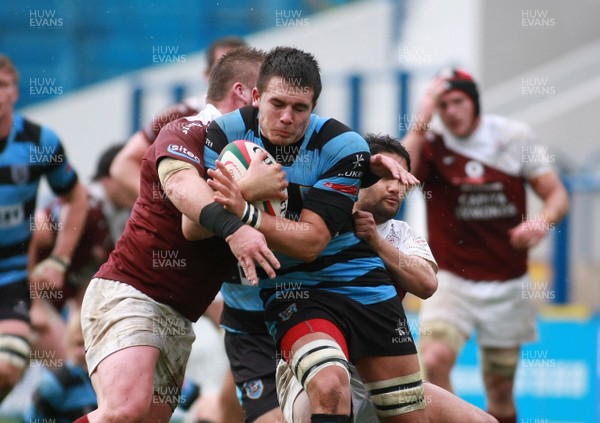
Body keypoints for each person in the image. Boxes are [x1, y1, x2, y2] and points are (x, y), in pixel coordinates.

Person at [190, 46, 427, 423]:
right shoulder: (223, 132)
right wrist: (247, 195)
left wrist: (243, 209)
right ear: (254, 96)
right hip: (291, 292)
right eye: (277, 104)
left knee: (408, 416)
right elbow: (193, 226)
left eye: (300, 108)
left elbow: (313, 241)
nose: (286, 118)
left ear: (314, 106)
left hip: (362, 287)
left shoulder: (342, 145)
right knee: (329, 386)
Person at [76, 46, 285, 423]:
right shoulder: (188, 128)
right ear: (243, 93)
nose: (275, 110)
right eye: (265, 95)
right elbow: (183, 192)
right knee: (124, 410)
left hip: (180, 314)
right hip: (132, 290)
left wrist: (371, 168)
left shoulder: (265, 153)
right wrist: (238, 221)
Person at [275, 132, 498, 423]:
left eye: (401, 179)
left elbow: (427, 284)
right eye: (385, 177)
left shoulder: (401, 234)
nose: (395, 188)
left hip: (387, 368)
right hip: (315, 368)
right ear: (361, 176)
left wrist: (376, 243)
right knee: (328, 395)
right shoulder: (318, 220)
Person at [402, 68, 569, 423]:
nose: (450, 111)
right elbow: (397, 177)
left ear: (474, 101)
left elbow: (556, 195)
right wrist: (420, 121)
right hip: (450, 280)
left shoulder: (513, 137)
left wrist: (541, 221)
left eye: (457, 101)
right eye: (441, 104)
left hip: (507, 282)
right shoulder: (432, 145)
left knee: (499, 390)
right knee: (431, 362)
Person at [0, 54, 88, 403]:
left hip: (11, 277)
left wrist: (60, 260)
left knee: (8, 364)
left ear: (15, 93)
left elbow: (76, 198)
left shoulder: (38, 142)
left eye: (2, 85)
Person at [28, 143, 134, 362]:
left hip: (49, 307)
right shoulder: (87, 206)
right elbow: (31, 234)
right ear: (109, 178)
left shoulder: (117, 220)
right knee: (70, 368)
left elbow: (86, 284)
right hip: (23, 300)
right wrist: (33, 302)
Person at [111, 35, 247, 199]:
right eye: (223, 71)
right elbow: (122, 165)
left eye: (239, 72)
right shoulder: (181, 115)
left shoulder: (267, 117)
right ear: (207, 76)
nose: (232, 80)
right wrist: (160, 203)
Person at [24, 306, 97, 422]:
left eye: (90, 341)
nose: (85, 350)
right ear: (70, 344)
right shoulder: (55, 383)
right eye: (79, 344)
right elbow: (33, 418)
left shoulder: (110, 375)